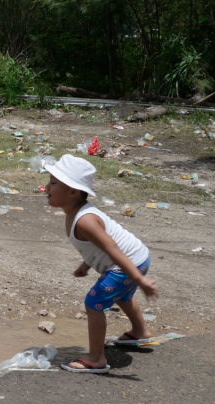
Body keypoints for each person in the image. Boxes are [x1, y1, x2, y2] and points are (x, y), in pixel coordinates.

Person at [43, 155, 159, 373]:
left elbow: (112, 249)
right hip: (139, 257)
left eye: (53, 183)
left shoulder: (85, 220)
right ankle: (140, 331)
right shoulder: (75, 213)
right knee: (122, 295)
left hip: (128, 263)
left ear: (72, 192)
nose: (45, 187)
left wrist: (138, 279)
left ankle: (96, 358)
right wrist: (86, 265)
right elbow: (95, 247)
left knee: (93, 302)